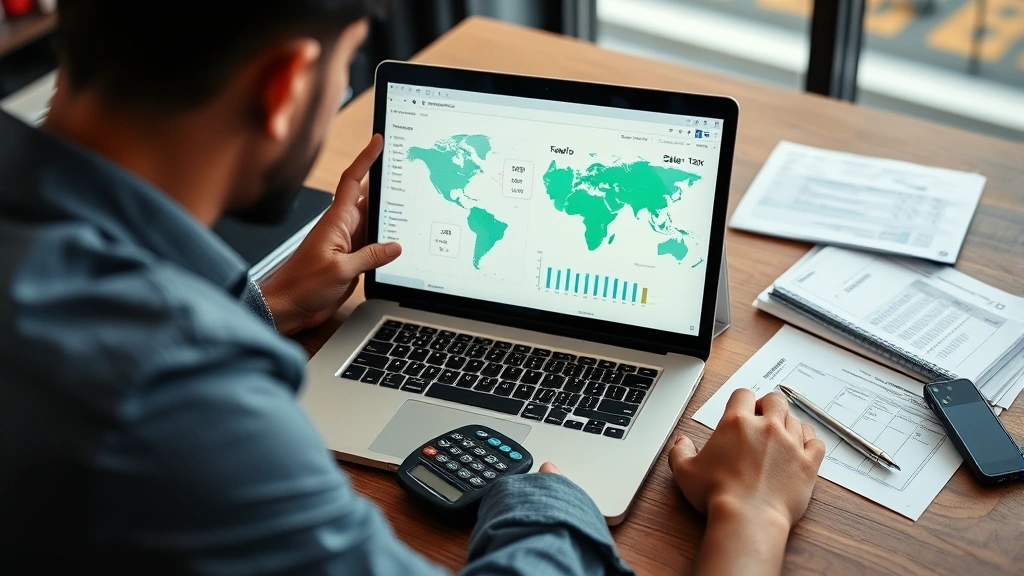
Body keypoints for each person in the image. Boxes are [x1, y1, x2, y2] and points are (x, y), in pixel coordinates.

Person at [0, 1, 825, 574]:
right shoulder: (181, 393)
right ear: (286, 85)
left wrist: (265, 305)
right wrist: (746, 516)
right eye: (346, 67)